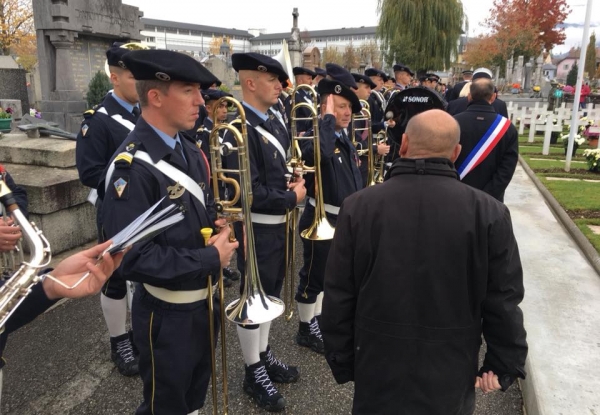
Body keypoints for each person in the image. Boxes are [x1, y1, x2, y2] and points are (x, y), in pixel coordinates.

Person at [321, 109, 528, 415]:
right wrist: (504, 363)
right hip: (451, 363)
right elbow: (503, 296)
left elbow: (339, 291)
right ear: (456, 153)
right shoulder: (489, 212)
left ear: (403, 144)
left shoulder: (358, 206)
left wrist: (343, 357)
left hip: (377, 359)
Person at [99, 49, 239, 415]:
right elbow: (132, 259)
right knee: (166, 403)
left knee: (194, 395)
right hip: (166, 314)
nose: (201, 102)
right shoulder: (132, 168)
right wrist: (210, 257)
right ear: (156, 96)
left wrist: (216, 230)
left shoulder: (189, 150)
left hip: (202, 301)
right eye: (189, 91)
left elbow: (202, 209)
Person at [225, 52, 306, 412]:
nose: (280, 85)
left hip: (279, 226)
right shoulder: (238, 129)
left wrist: (293, 179)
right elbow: (250, 191)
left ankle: (263, 353)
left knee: (269, 295)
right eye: (272, 79)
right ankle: (252, 370)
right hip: (256, 228)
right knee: (252, 297)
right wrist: (292, 195)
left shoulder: (274, 120)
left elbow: (278, 169)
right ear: (250, 82)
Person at [75, 42, 141, 376]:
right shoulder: (98, 121)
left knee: (144, 274)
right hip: (117, 210)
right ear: (114, 77)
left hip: (149, 210)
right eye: (134, 75)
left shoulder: (146, 114)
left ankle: (141, 332)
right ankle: (119, 340)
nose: (140, 82)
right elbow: (89, 172)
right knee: (114, 278)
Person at [295, 65, 363, 356]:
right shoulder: (316, 133)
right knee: (313, 276)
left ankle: (317, 320)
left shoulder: (342, 136)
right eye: (341, 107)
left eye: (348, 108)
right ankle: (304, 327)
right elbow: (317, 155)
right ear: (327, 106)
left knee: (329, 276)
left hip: (341, 217)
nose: (346, 113)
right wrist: (328, 117)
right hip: (320, 216)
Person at [195, 88, 241, 288]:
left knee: (225, 228)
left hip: (224, 188)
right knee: (215, 228)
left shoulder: (223, 130)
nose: (224, 110)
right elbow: (207, 165)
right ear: (208, 107)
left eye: (225, 106)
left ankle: (223, 267)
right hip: (213, 189)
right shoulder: (204, 133)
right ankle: (216, 268)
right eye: (220, 106)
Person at [453, 78, 518, 202]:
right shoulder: (508, 128)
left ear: (469, 96)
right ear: (493, 97)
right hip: (492, 201)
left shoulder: (452, 122)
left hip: (456, 196)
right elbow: (507, 168)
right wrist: (489, 195)